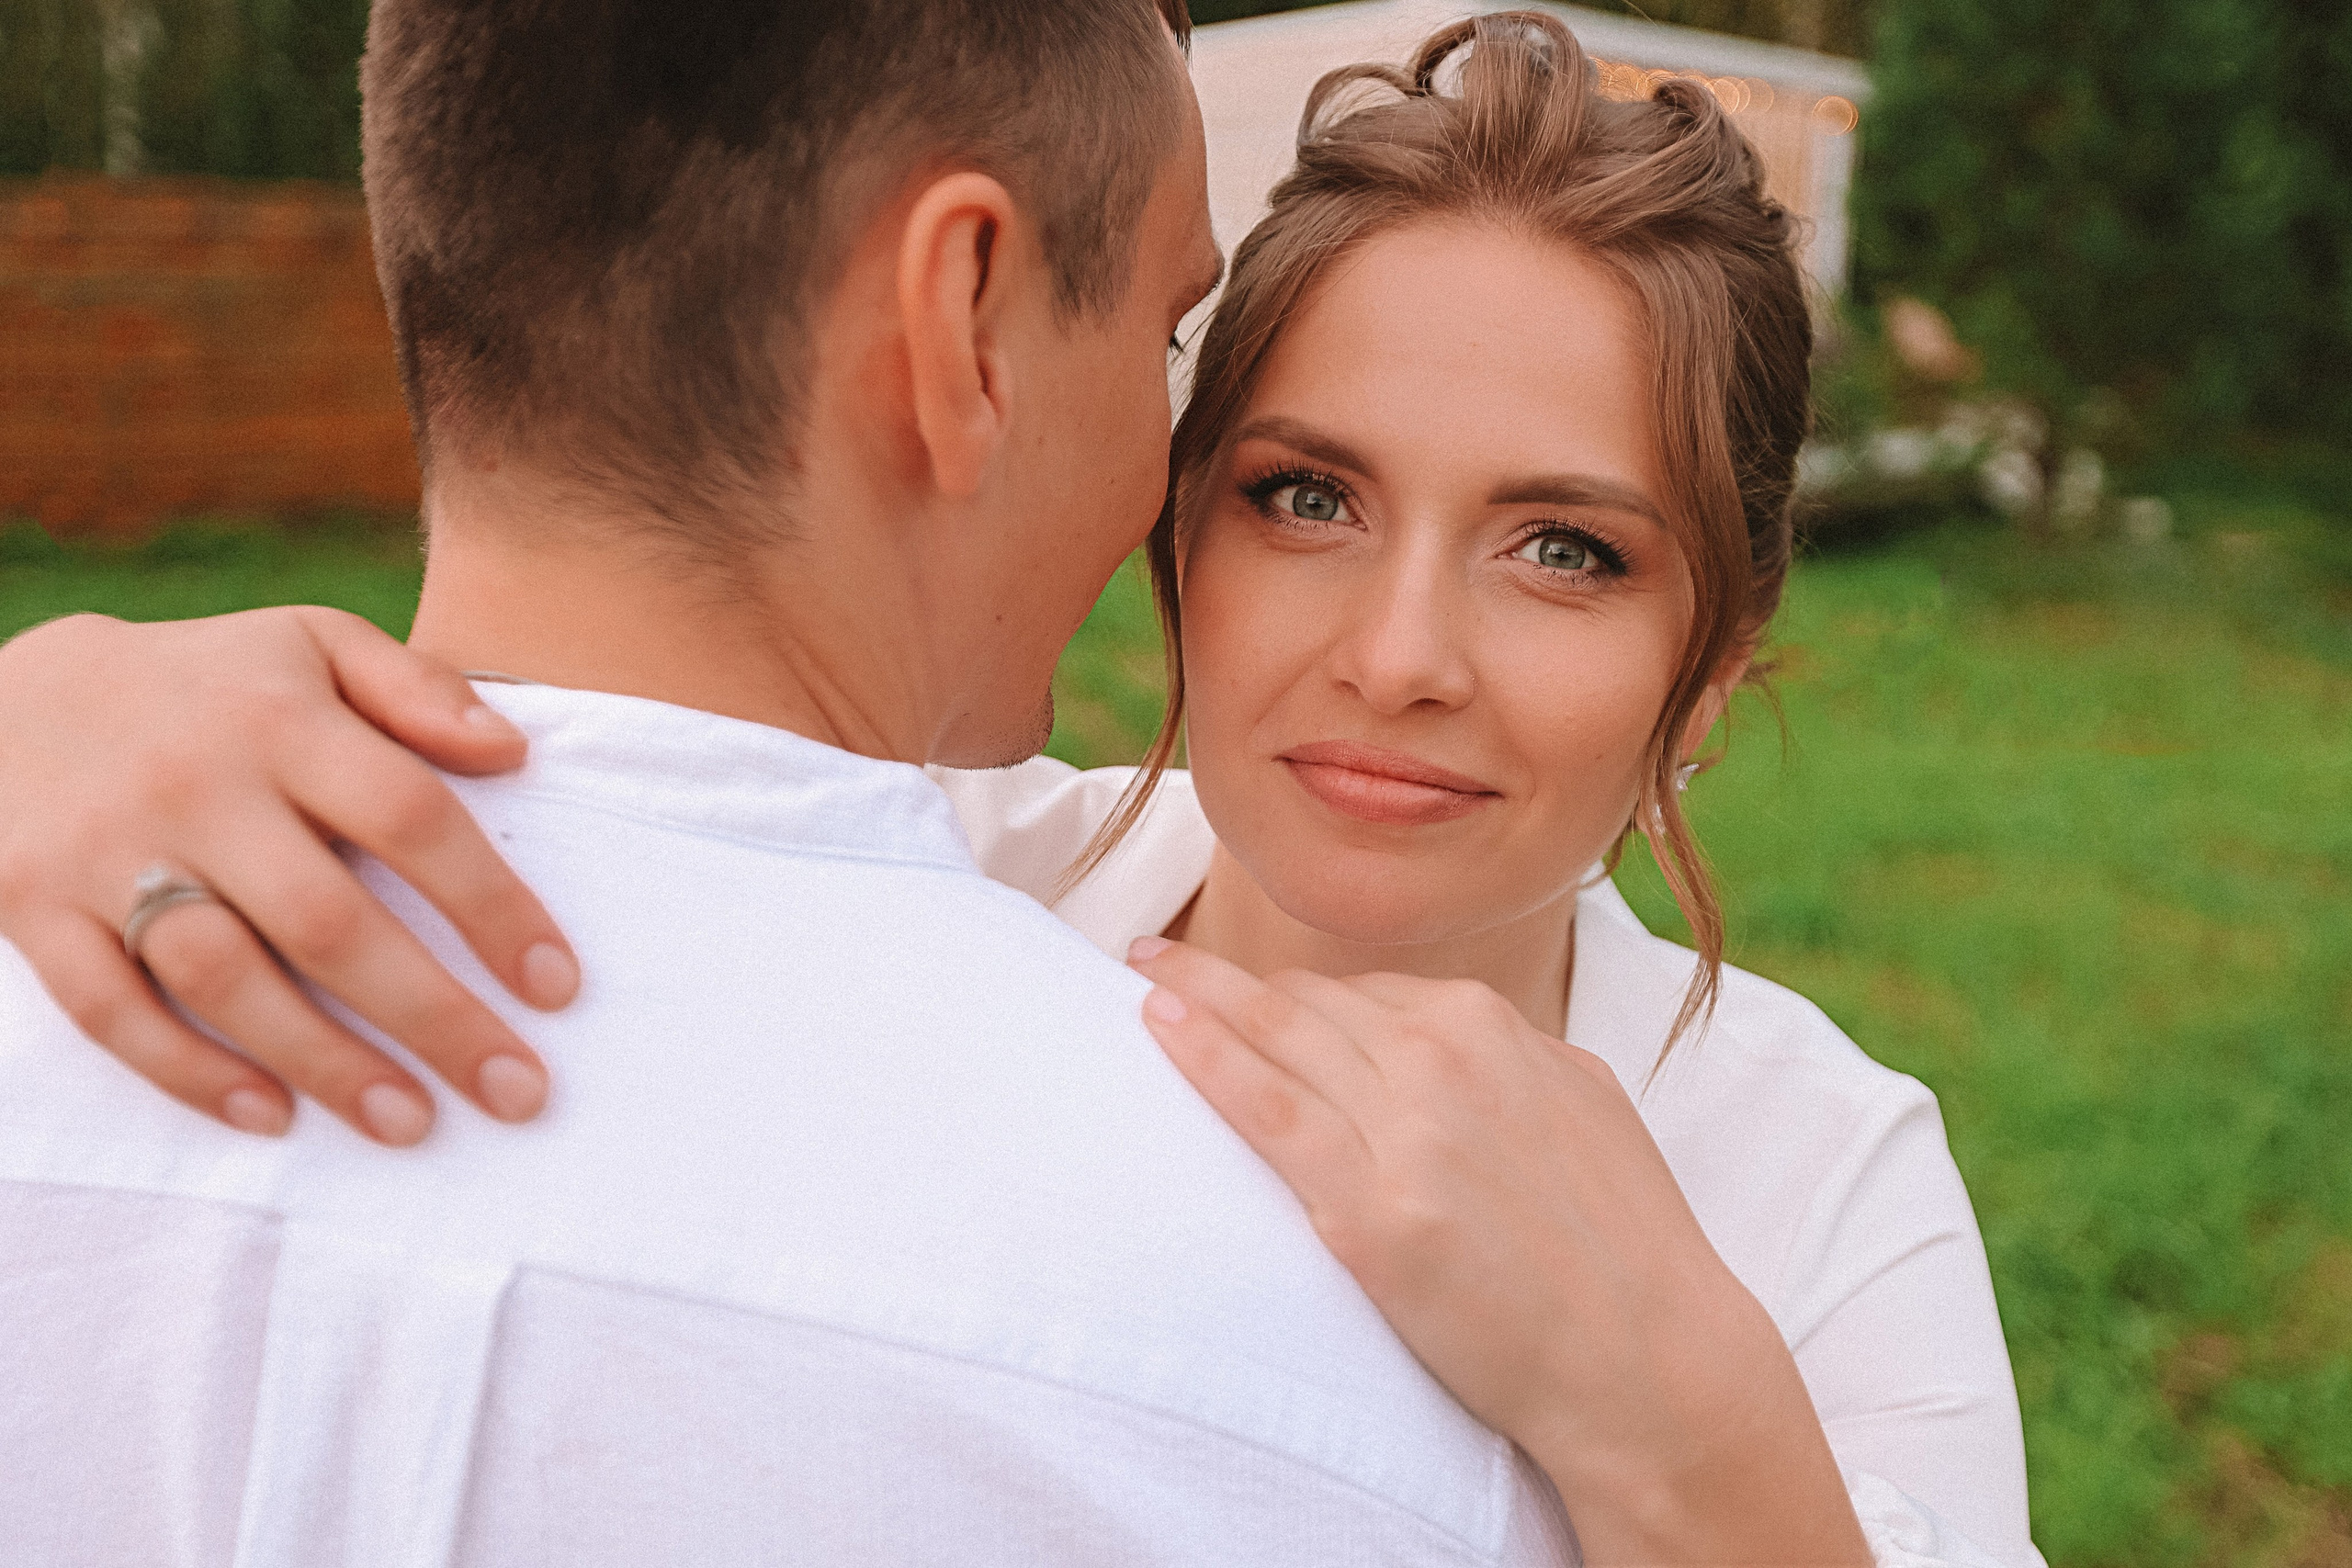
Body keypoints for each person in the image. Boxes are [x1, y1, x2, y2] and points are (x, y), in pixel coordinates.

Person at [0, 15, 2043, 1568]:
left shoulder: (1820, 1182)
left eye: (1565, 548)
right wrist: (54, 710)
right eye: (1299, 493)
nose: (1402, 650)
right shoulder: (917, 892)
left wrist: (1701, 1442)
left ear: (1714, 669)